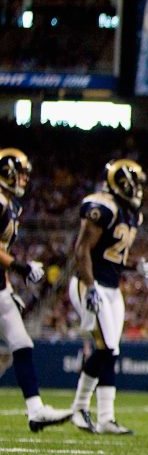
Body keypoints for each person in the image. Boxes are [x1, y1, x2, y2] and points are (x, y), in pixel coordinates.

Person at [67, 159, 147, 435]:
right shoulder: (103, 207)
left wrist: (135, 267)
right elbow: (82, 250)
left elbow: (111, 257)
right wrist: (89, 288)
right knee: (104, 348)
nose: (138, 190)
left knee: (111, 349)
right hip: (90, 284)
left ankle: (105, 418)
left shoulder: (132, 214)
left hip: (112, 287)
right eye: (134, 184)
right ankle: (79, 408)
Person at [0, 149, 69, 432]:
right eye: (22, 172)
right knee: (21, 344)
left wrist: (7, 286)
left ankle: (36, 409)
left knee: (22, 343)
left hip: (0, 287)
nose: (26, 178)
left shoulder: (10, 204)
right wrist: (21, 267)